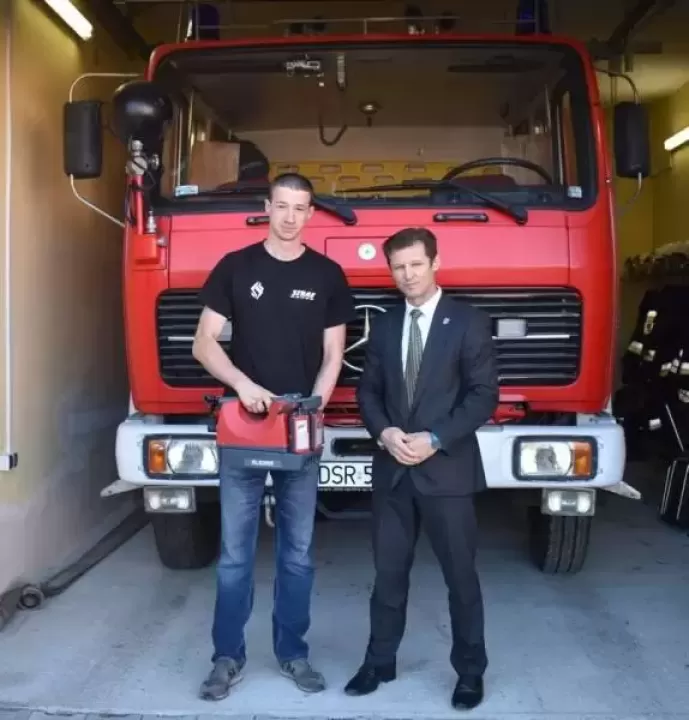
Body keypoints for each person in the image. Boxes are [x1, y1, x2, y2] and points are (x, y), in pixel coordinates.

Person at [192, 172, 356, 701]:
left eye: (300, 208)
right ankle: (226, 657)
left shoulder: (327, 275)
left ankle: (293, 653)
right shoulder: (236, 267)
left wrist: (314, 406)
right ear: (267, 207)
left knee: (298, 554)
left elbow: (334, 356)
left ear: (311, 214)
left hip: (298, 431)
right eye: (281, 206)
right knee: (234, 556)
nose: (289, 217)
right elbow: (204, 343)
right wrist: (243, 386)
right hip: (243, 427)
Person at [344, 227, 499, 710]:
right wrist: (384, 432)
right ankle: (379, 661)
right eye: (399, 267)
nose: (408, 275)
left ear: (435, 263)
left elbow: (483, 395)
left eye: (416, 264)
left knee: (461, 579)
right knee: (388, 575)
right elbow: (368, 392)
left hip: (446, 471)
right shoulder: (385, 326)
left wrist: (435, 438)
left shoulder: (468, 322)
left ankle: (470, 672)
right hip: (392, 471)